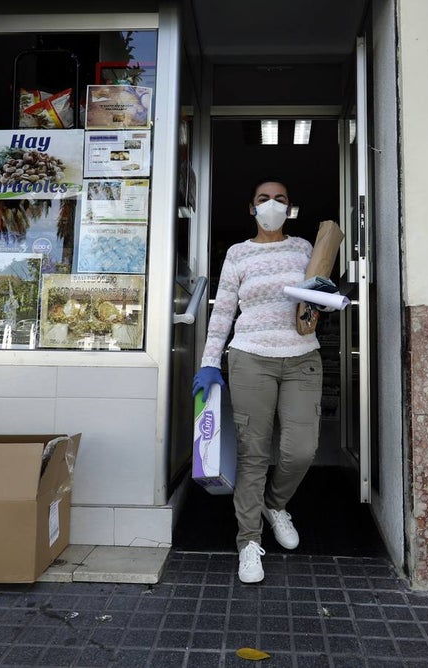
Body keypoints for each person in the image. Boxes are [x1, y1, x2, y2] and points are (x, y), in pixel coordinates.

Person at [192, 179, 324, 584]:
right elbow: (223, 312)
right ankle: (248, 542)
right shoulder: (238, 254)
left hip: (302, 357)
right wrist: (210, 362)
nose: (271, 205)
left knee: (301, 450)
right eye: (263, 199)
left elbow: (313, 300)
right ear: (252, 208)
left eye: (280, 199)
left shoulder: (303, 248)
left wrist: (327, 298)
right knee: (253, 454)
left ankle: (275, 503)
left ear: (290, 208)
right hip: (250, 357)